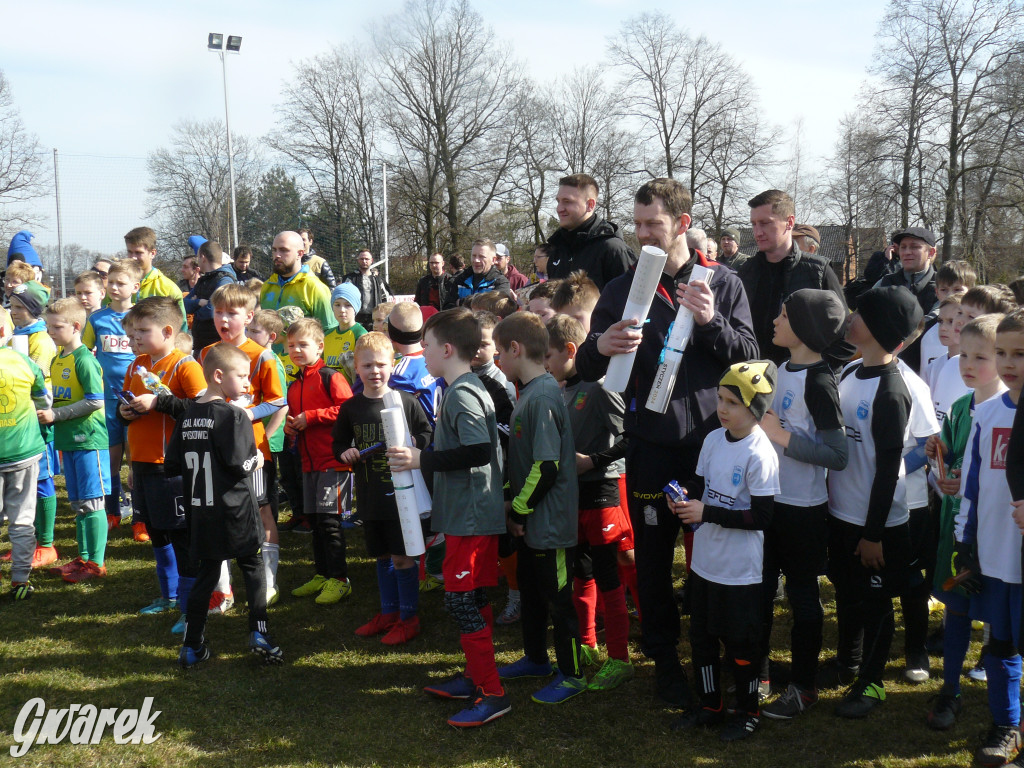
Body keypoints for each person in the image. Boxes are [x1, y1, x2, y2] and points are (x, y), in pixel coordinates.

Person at [576, 177, 757, 708]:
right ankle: (666, 663)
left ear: (682, 223)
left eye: (652, 223)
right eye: (636, 224)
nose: (642, 234)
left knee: (714, 554)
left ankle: (719, 654)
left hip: (710, 446)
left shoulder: (721, 282)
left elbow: (747, 352)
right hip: (650, 445)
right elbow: (586, 363)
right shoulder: (623, 289)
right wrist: (600, 345)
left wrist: (708, 321)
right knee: (652, 560)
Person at [390, 307, 509, 727]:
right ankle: (477, 677)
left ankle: (492, 692)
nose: (420, 350)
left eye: (426, 344)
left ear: (446, 348)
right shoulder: (461, 386)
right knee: (471, 597)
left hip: (471, 517)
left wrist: (423, 458)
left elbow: (478, 450)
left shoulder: (461, 392)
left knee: (461, 601)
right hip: (467, 514)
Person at [669, 360, 780, 741]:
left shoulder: (760, 453)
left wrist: (708, 513)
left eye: (732, 401)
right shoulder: (714, 438)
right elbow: (699, 483)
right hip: (704, 564)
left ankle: (748, 712)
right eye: (720, 398)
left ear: (754, 409)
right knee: (700, 638)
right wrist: (684, 498)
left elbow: (763, 517)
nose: (722, 407)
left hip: (739, 571)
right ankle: (710, 704)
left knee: (742, 645)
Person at [825, 285, 921, 718]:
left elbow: (887, 471)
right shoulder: (849, 373)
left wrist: (874, 533)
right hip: (842, 513)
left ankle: (873, 682)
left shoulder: (892, 392)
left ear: (880, 329)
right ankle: (849, 663)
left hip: (878, 523)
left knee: (877, 603)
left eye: (859, 313)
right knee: (848, 593)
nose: (850, 317)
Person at [757, 290, 849, 720]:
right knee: (757, 593)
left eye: (783, 313)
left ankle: (804, 685)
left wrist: (780, 437)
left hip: (802, 509)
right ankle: (759, 676)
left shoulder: (821, 381)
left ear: (805, 328)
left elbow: (837, 455)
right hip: (767, 501)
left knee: (802, 598)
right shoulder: (778, 369)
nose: (775, 320)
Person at [165, 343, 282, 668]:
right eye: (242, 376)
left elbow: (172, 465)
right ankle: (259, 632)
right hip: (236, 509)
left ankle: (192, 646)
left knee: (207, 574)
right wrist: (257, 459)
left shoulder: (187, 415)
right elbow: (239, 464)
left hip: (201, 510)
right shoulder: (233, 415)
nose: (247, 384)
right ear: (218, 375)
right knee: (252, 565)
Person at [492, 313, 587, 705]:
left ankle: (573, 673)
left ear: (515, 349)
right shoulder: (528, 392)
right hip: (532, 524)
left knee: (558, 600)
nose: (497, 359)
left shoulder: (544, 396)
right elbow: (524, 459)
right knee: (531, 593)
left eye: (499, 352)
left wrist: (518, 510)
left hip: (549, 525)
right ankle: (536, 659)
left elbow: (546, 465)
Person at [949, 309, 1024, 765]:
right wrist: (965, 545)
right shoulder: (987, 412)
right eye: (1002, 353)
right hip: (996, 554)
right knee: (1001, 643)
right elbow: (973, 485)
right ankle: (1006, 724)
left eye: (1020, 353)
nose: (1009, 362)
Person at [545, 314, 634, 691]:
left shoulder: (601, 388)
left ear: (569, 351)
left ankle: (620, 658)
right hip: (572, 498)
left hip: (602, 495)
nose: (545, 364)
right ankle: (587, 645)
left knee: (608, 575)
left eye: (548, 355)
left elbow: (630, 439)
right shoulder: (561, 390)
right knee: (582, 574)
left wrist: (592, 462)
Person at [927, 314, 1006, 731]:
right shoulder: (960, 408)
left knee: (1000, 620)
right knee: (955, 611)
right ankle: (950, 690)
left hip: (995, 535)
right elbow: (950, 462)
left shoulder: (1011, 410)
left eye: (981, 356)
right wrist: (938, 458)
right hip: (954, 528)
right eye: (964, 354)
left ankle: (1001, 704)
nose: (968, 364)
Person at [333, 333, 432, 646]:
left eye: (380, 364)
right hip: (371, 495)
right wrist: (345, 453)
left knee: (403, 557)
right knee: (382, 556)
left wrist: (417, 443)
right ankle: (388, 613)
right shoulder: (351, 409)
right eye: (367, 365)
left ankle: (409, 618)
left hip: (401, 497)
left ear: (393, 364)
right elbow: (338, 443)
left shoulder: (406, 401)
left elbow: (426, 432)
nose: (374, 371)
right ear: (356, 370)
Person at [117, 297, 207, 629]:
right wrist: (124, 412)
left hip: (171, 466)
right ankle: (167, 596)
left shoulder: (185, 365)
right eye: (132, 332)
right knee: (156, 532)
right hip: (141, 464)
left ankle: (188, 607)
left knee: (180, 535)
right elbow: (128, 404)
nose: (134, 338)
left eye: (142, 331)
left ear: (168, 331)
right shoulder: (136, 364)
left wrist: (159, 401)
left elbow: (202, 408)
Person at [201, 284, 288, 607]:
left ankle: (268, 581)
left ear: (249, 316)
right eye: (218, 312)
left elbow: (279, 399)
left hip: (253, 452)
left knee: (262, 511)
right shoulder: (206, 353)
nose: (223, 319)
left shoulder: (261, 354)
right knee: (218, 513)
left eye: (232, 313)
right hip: (214, 452)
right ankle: (222, 589)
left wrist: (246, 413)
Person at [36, 299, 112, 583]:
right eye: (48, 326)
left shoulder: (85, 360)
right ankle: (82, 558)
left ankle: (97, 563)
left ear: (76, 327)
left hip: (89, 440)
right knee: (79, 502)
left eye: (56, 327)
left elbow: (94, 401)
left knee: (93, 502)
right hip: (67, 440)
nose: (50, 332)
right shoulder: (58, 359)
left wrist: (56, 414)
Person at [284, 318, 355, 605]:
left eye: (303, 344)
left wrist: (310, 418)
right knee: (315, 522)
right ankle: (322, 574)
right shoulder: (294, 384)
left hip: (333, 461)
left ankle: (340, 579)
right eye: (291, 346)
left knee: (329, 522)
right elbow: (297, 421)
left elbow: (346, 409)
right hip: (308, 464)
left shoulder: (330, 376)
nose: (297, 350)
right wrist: (291, 428)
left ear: (320, 346)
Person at [738, 190, 851, 366]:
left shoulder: (818, 271)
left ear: (789, 222)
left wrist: (813, 373)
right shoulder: (745, 272)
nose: (757, 232)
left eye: (765, 223)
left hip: (801, 387)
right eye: (753, 224)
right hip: (752, 382)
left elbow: (845, 338)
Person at [83, 259, 141, 533]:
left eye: (121, 283)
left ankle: (141, 517)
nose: (115, 287)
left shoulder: (143, 317)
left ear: (135, 286)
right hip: (107, 398)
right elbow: (83, 353)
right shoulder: (96, 319)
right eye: (111, 282)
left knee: (138, 457)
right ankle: (112, 511)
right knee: (111, 458)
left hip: (137, 397)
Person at [9, 281, 60, 568]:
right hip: (19, 418)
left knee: (42, 480)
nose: (13, 312)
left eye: (19, 307)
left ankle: (47, 544)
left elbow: (34, 379)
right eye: (12, 306)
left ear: (32, 308)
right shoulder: (17, 335)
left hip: (39, 418)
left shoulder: (41, 340)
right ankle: (26, 542)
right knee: (22, 484)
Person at [0, 308, 49, 601]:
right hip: (23, 451)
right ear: (7, 332)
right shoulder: (23, 362)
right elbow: (43, 398)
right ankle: (20, 580)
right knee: (22, 518)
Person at [546, 174, 633, 289]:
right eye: (558, 201)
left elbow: (630, 301)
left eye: (567, 201)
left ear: (590, 205)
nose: (559, 208)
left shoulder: (613, 250)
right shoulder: (557, 250)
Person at [874, 227, 938, 372]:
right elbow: (864, 315)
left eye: (915, 247)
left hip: (929, 370)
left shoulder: (944, 286)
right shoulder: (885, 283)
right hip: (886, 368)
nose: (907, 252)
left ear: (931, 252)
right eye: (903, 247)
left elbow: (938, 321)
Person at [260, 231, 336, 333]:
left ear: (300, 253)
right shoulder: (267, 286)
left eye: (283, 250)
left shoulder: (315, 288)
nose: (277, 255)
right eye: (274, 250)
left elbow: (329, 332)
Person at [919, 260, 975, 374]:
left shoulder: (981, 331)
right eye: (944, 290)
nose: (950, 295)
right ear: (937, 292)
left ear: (971, 292)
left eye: (957, 289)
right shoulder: (926, 332)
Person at [124, 227, 187, 329]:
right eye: (130, 252)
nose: (133, 257)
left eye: (138, 253)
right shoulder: (118, 284)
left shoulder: (168, 289)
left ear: (152, 253)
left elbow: (181, 328)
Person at [185, 241, 237, 351]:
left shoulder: (225, 280)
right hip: (201, 344)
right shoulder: (204, 280)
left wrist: (195, 312)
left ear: (202, 257)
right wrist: (198, 302)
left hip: (217, 346)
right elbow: (184, 304)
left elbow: (213, 310)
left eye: (198, 257)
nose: (197, 261)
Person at [324, 284, 368, 385]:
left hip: (350, 395)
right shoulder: (326, 335)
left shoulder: (360, 334)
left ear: (356, 307)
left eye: (348, 305)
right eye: (337, 304)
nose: (342, 310)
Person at [342, 249, 393, 329]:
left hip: (375, 319)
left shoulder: (378, 280)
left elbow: (385, 299)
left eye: (367, 259)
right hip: (356, 319)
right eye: (362, 259)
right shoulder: (350, 279)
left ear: (371, 260)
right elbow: (343, 298)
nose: (364, 261)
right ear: (358, 260)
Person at [454, 240, 513, 305]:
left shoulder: (501, 282)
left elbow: (497, 308)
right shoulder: (460, 279)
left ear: (493, 260)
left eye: (481, 256)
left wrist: (461, 302)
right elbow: (448, 307)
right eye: (474, 256)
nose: (476, 260)